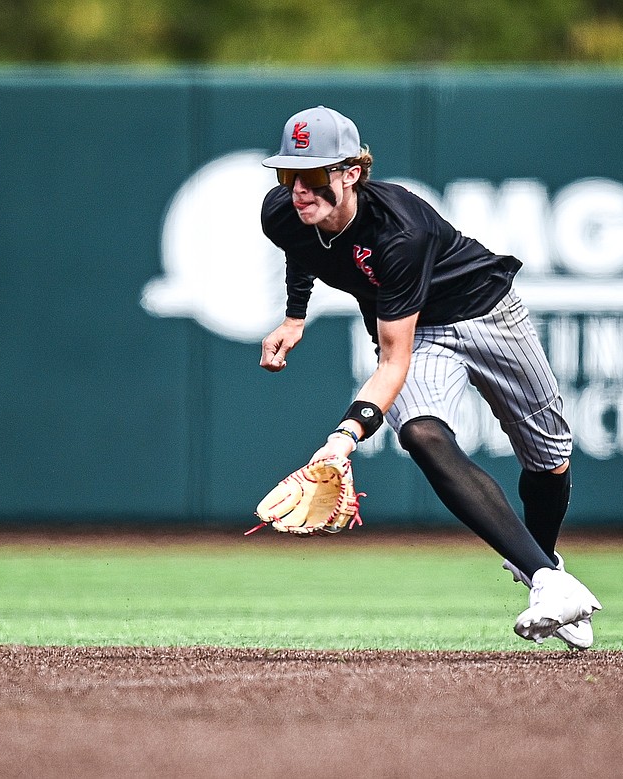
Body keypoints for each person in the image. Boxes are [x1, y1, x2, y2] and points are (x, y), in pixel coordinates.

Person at [258, 105, 601, 648]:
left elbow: (391, 365)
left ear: (351, 172)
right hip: (418, 332)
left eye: (314, 174)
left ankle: (544, 566)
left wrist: (341, 440)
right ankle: (547, 580)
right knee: (419, 433)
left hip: (487, 312)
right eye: (288, 174)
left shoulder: (400, 231)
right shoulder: (283, 212)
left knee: (549, 461)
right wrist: (295, 316)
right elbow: (304, 248)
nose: (299, 190)